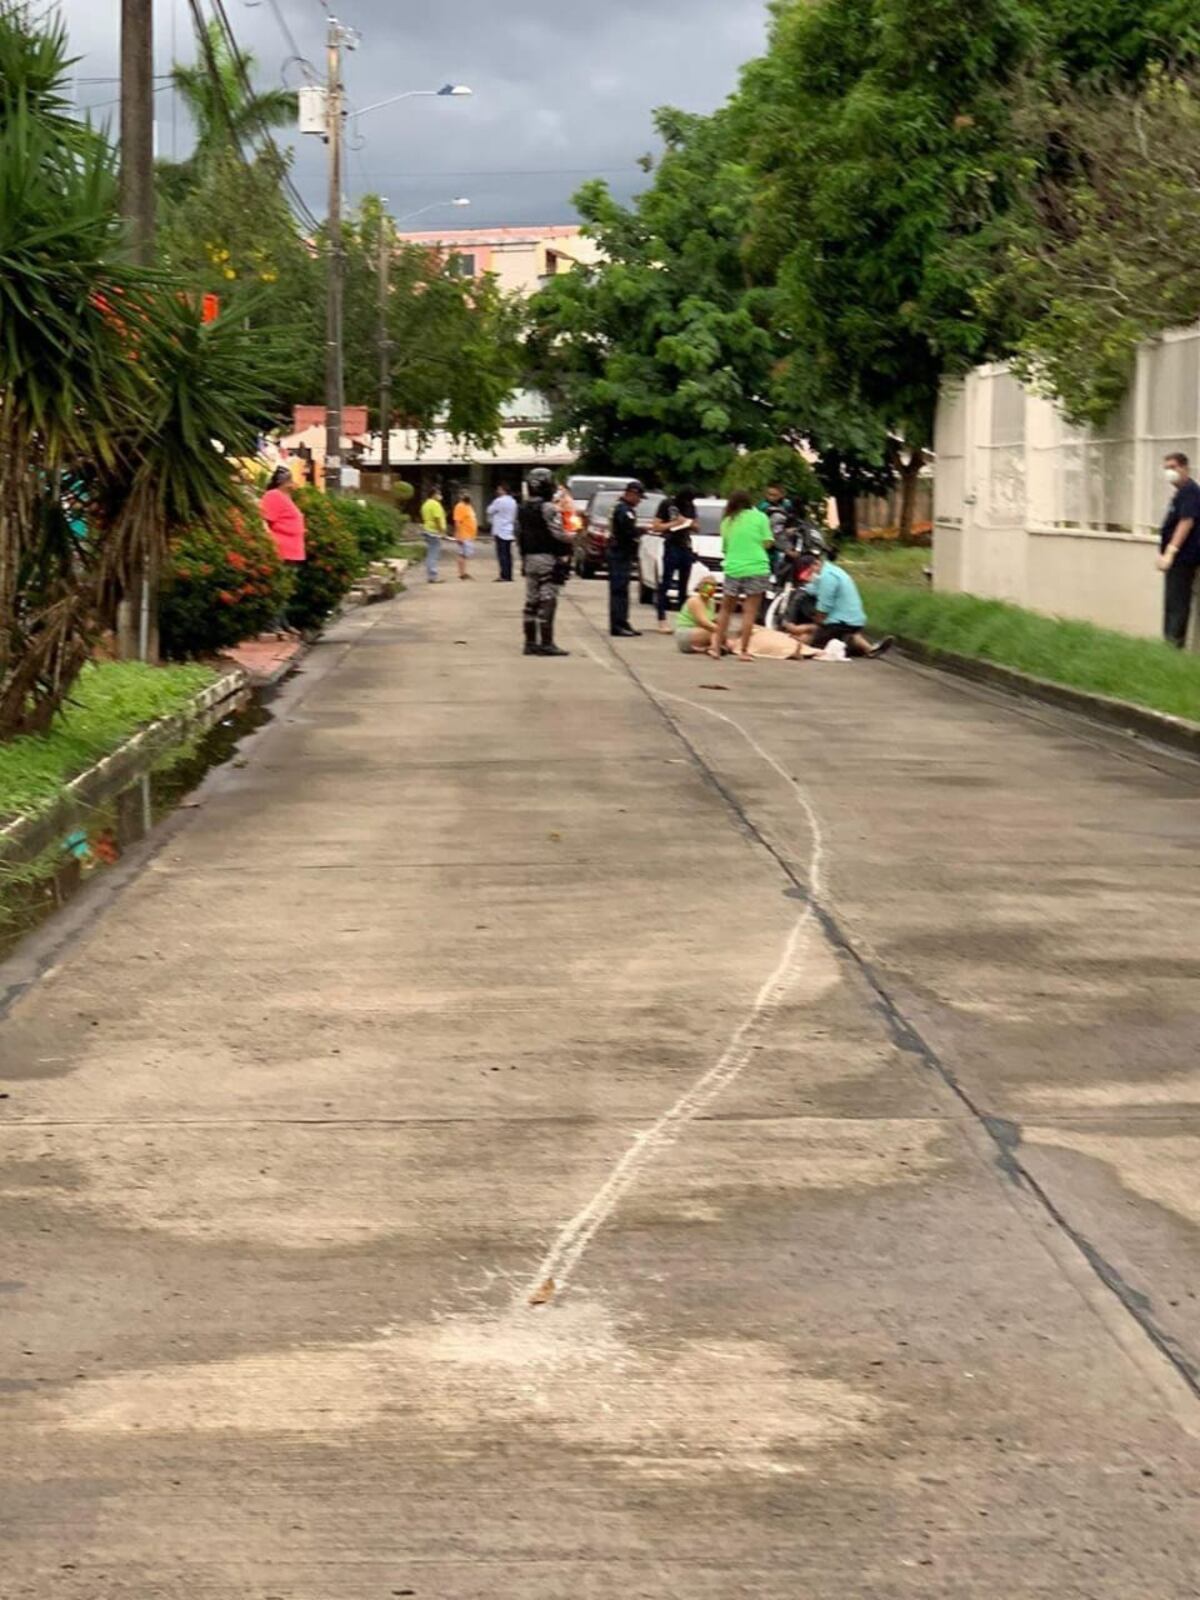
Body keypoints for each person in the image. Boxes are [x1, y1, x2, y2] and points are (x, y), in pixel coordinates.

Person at [785, 551, 894, 657]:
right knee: (846, 635)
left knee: (810, 636)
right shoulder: (832, 570)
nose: (810, 577)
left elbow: (823, 611)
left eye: (810, 573)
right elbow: (812, 589)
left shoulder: (827, 578)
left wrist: (803, 627)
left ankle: (796, 644)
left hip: (841, 623)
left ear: (816, 564)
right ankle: (866, 648)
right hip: (854, 621)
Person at [516, 466, 573, 657]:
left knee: (531, 600)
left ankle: (530, 642)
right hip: (547, 557)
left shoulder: (522, 508)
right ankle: (547, 643)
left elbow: (519, 534)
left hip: (529, 558)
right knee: (548, 598)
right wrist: (573, 537)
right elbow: (557, 533)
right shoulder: (548, 508)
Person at [711, 490, 773, 660]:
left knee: (725, 609)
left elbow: (725, 548)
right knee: (749, 611)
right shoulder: (761, 517)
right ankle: (744, 651)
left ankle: (716, 648)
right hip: (757, 567)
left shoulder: (727, 521)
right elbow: (767, 543)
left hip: (733, 568)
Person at [259, 465, 306, 637]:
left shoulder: (287, 498)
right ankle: (273, 624)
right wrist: (270, 543)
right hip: (281, 549)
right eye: (290, 479)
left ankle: (283, 623)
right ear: (282, 482)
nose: (293, 483)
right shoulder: (273, 496)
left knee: (287, 589)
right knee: (279, 588)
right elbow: (265, 521)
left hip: (293, 551)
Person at [1158, 452, 1200, 648]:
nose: (1169, 472)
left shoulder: (1190, 492)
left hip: (1183, 559)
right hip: (1178, 560)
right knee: (1171, 604)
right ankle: (1169, 645)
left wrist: (1170, 552)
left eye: (1173, 467)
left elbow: (1186, 522)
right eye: (1167, 468)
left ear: (1185, 468)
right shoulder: (1181, 493)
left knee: (1177, 605)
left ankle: (1173, 647)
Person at [654, 487, 699, 632]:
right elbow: (656, 526)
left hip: (685, 545)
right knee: (666, 583)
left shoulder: (690, 506)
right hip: (671, 544)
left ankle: (682, 620)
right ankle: (662, 619)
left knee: (683, 586)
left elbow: (697, 526)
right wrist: (674, 524)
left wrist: (688, 522)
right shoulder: (667, 504)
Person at [609, 481, 644, 638]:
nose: (639, 501)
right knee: (619, 591)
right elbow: (627, 531)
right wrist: (642, 531)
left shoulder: (623, 508)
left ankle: (623, 622)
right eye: (638, 497)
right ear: (631, 493)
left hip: (622, 553)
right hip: (619, 553)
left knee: (622, 590)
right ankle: (618, 625)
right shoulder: (623, 510)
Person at [675, 572, 721, 652]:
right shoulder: (695, 601)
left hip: (700, 631)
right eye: (706, 586)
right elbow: (703, 621)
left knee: (718, 632)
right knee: (716, 633)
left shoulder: (711, 602)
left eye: (712, 587)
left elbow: (711, 620)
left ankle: (707, 648)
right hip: (687, 633)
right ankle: (714, 648)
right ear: (700, 587)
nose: (709, 589)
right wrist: (719, 630)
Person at [758, 483, 797, 574]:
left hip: (783, 540)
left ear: (781, 495)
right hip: (767, 541)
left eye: (774, 495)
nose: (771, 497)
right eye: (769, 494)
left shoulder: (787, 505)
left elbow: (794, 519)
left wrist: (792, 528)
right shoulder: (763, 506)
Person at [487, 481, 518, 582]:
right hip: (509, 529)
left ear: (503, 490)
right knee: (508, 554)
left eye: (499, 489)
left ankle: (503, 575)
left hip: (500, 529)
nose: (497, 491)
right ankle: (509, 575)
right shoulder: (513, 501)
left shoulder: (499, 501)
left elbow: (489, 510)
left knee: (502, 554)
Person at [420, 486, 447, 583]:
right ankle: (433, 576)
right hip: (434, 532)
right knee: (433, 555)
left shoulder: (426, 504)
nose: (440, 496)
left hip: (427, 530)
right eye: (438, 494)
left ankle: (431, 575)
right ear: (434, 494)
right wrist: (442, 532)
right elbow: (437, 519)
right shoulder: (435, 504)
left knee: (430, 553)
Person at [453, 492, 478, 581]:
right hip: (464, 534)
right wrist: (458, 534)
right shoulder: (460, 506)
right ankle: (462, 574)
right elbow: (457, 522)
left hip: (469, 534)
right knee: (462, 554)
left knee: (465, 554)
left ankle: (463, 572)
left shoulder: (468, 506)